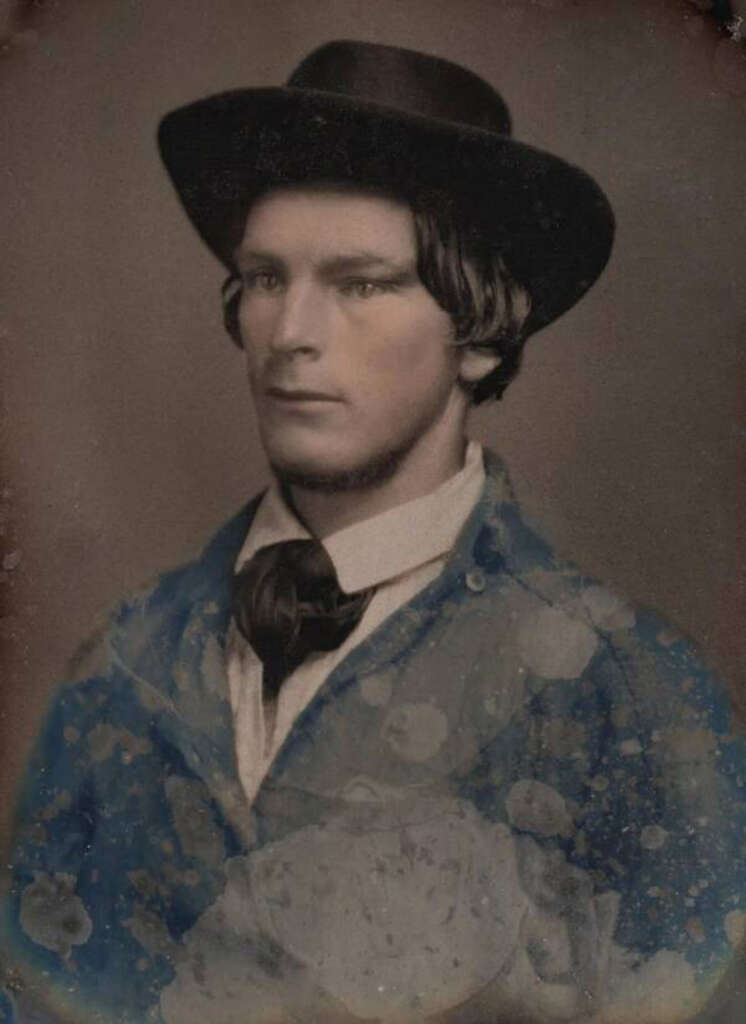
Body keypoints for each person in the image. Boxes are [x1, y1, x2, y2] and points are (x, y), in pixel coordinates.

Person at [2, 39, 745, 1024]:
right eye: (265, 279)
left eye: (359, 283)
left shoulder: (630, 693)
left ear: (482, 332)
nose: (289, 331)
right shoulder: (127, 654)